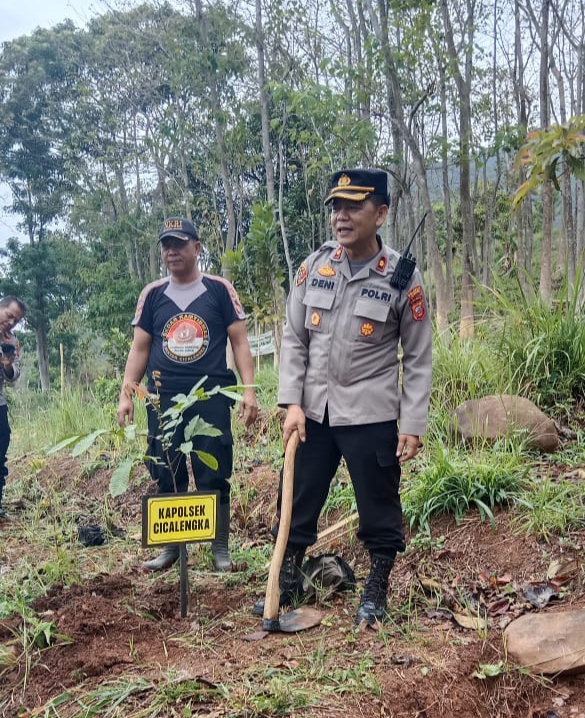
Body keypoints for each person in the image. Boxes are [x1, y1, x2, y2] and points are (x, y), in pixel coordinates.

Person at [253, 169, 432, 625]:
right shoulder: (315, 267)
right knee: (296, 496)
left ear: (382, 213)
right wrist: (291, 402)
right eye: (337, 206)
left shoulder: (401, 278)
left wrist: (411, 423)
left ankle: (376, 587)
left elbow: (417, 356)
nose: (342, 216)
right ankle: (286, 576)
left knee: (379, 502)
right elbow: (294, 338)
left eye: (354, 206)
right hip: (312, 410)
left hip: (370, 413)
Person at [117, 217, 258, 571]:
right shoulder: (152, 295)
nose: (171, 251)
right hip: (162, 399)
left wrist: (249, 391)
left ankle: (219, 548)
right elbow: (139, 349)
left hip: (210, 396)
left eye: (179, 244)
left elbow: (240, 343)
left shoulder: (218, 290)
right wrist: (126, 394)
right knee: (166, 470)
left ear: (197, 247)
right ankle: (171, 549)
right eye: (166, 245)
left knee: (213, 469)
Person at [0, 296, 27, 519]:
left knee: (0, 453)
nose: (11, 323)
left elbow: (13, 377)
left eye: (16, 321)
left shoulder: (13, 343)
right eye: (9, 316)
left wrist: (7, 366)